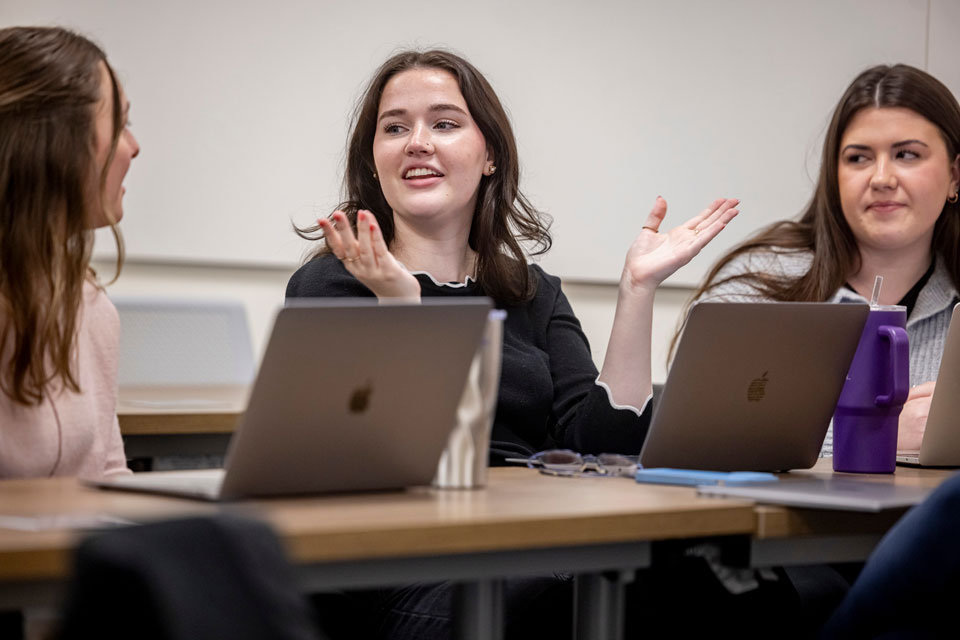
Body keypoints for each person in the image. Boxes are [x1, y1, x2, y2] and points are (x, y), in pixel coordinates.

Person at [287, 49, 739, 466]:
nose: (417, 143)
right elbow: (355, 452)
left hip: (529, 515)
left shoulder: (533, 292)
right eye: (394, 128)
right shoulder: (329, 285)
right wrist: (401, 307)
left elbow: (606, 449)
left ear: (491, 156)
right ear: (372, 160)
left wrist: (637, 290)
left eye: (444, 124)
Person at [676, 64, 960, 455]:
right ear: (834, 175)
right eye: (858, 158)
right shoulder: (758, 284)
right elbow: (693, 438)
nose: (881, 178)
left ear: (955, 175)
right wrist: (879, 436)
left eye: (906, 155)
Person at [0, 26, 140, 478]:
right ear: (56, 146)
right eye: (120, 125)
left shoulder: (89, 303)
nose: (133, 148)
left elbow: (109, 474)